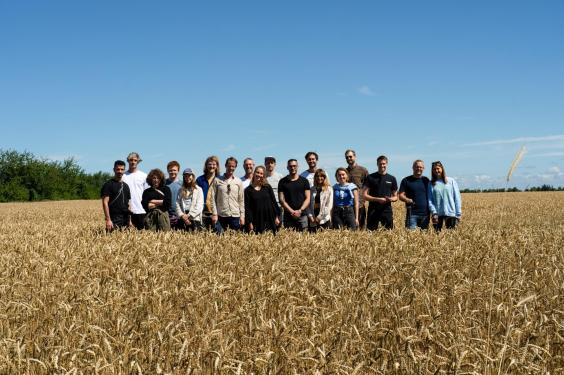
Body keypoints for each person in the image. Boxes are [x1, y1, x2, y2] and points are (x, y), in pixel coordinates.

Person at [363, 155, 398, 230]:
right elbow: (365, 195)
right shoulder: (370, 177)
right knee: (370, 233)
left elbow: (396, 197)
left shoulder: (392, 178)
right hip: (373, 210)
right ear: (377, 164)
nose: (382, 165)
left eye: (383, 163)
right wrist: (377, 199)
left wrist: (390, 199)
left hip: (386, 210)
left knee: (389, 234)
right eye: (380, 164)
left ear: (386, 164)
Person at [211, 157, 245, 232]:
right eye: (229, 166)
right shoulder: (217, 180)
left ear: (235, 167)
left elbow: (241, 200)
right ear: (225, 166)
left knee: (234, 240)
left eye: (233, 166)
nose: (231, 168)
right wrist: (214, 214)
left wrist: (242, 216)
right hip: (221, 215)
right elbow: (213, 198)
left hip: (235, 216)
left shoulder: (238, 182)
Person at [244, 165, 281, 234]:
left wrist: (277, 217)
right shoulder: (248, 190)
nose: (259, 175)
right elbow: (247, 208)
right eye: (257, 172)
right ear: (254, 173)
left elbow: (274, 202)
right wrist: (249, 222)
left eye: (261, 174)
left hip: (270, 218)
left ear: (263, 176)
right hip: (256, 220)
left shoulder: (267, 187)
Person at [428, 161, 462, 231]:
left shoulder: (451, 181)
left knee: (451, 235)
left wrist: (458, 213)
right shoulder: (431, 183)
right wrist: (434, 212)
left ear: (442, 169)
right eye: (434, 169)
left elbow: (457, 197)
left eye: (438, 168)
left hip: (451, 213)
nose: (436, 171)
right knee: (436, 235)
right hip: (437, 214)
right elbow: (430, 199)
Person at [279, 159, 311, 231]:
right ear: (287, 167)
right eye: (290, 166)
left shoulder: (304, 181)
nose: (292, 168)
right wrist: (292, 212)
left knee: (305, 240)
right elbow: (281, 200)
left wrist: (300, 211)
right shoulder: (282, 182)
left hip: (302, 216)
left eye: (294, 166)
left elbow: (308, 198)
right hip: (288, 216)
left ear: (297, 166)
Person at [399, 160, 431, 230]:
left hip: (425, 214)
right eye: (417, 167)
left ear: (423, 168)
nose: (419, 169)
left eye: (421, 167)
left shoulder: (426, 180)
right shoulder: (406, 180)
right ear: (413, 167)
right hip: (412, 214)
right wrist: (407, 199)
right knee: (410, 237)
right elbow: (400, 195)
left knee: (424, 238)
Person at [101, 160, 132, 232]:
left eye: (122, 169)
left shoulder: (126, 186)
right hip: (114, 218)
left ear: (124, 170)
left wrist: (129, 220)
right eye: (118, 169)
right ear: (114, 170)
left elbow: (129, 204)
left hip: (125, 218)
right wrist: (108, 220)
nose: (120, 171)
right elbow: (105, 203)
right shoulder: (108, 185)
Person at [122, 152, 148, 230]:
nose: (133, 162)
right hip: (127, 211)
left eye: (135, 160)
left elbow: (147, 193)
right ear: (128, 161)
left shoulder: (144, 176)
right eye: (131, 160)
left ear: (138, 161)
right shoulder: (123, 176)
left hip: (141, 210)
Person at [345, 149, 369, 229]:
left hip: (360, 204)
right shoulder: (344, 172)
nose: (349, 159)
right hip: (348, 205)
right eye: (347, 157)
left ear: (355, 157)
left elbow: (367, 186)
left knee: (361, 227)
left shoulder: (363, 170)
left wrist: (364, 197)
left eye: (350, 157)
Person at [196, 156, 220, 230]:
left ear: (217, 166)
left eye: (214, 164)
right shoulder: (200, 180)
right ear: (206, 166)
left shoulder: (220, 179)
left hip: (216, 213)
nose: (211, 166)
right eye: (209, 164)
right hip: (202, 213)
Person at [265, 156, 284, 223]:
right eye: (268, 163)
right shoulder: (262, 177)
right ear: (265, 164)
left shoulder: (280, 177)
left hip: (278, 206)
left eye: (271, 163)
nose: (270, 164)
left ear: (275, 164)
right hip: (265, 207)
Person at [165, 160, 182, 228]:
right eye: (170, 170)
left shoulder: (182, 184)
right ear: (168, 171)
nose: (172, 172)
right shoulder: (163, 183)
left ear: (178, 171)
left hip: (179, 214)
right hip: (166, 214)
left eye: (174, 170)